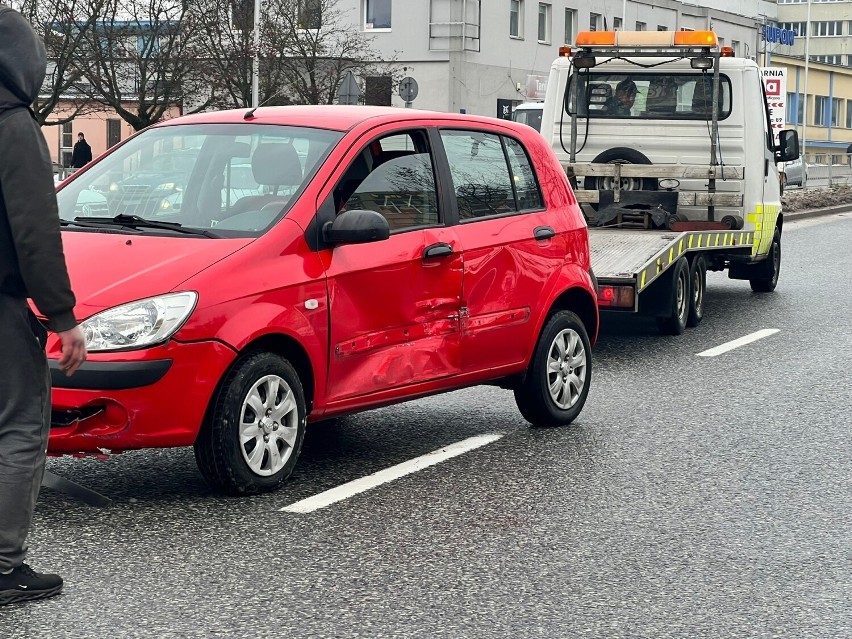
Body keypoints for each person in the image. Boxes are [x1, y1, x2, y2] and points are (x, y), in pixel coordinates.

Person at [0, 4, 87, 605]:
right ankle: (4, 565)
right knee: (21, 426)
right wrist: (62, 317)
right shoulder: (12, 125)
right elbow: (35, 229)